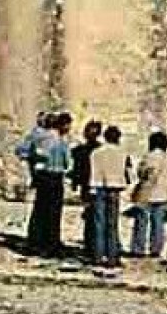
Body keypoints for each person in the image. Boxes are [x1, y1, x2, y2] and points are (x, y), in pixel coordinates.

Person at [15, 112, 72, 255]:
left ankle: (35, 241)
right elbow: (67, 163)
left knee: (39, 210)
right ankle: (50, 243)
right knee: (53, 212)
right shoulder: (59, 140)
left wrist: (33, 163)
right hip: (55, 176)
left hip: (42, 176)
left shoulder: (38, 137)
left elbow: (22, 151)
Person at [88, 125, 131, 268]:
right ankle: (113, 256)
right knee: (112, 224)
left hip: (99, 187)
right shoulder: (122, 153)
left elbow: (94, 172)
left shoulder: (96, 153)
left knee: (99, 223)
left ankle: (98, 256)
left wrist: (92, 188)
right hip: (115, 188)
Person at [127, 130, 167, 257]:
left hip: (147, 192)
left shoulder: (150, 156)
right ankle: (156, 248)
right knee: (158, 223)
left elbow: (143, 173)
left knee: (141, 221)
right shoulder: (166, 157)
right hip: (162, 193)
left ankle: (138, 248)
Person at [69, 120, 104, 262]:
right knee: (94, 216)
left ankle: (92, 245)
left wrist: (75, 182)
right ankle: (94, 245)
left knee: (91, 216)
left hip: (90, 185)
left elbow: (77, 169)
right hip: (95, 185)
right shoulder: (93, 150)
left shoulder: (80, 150)